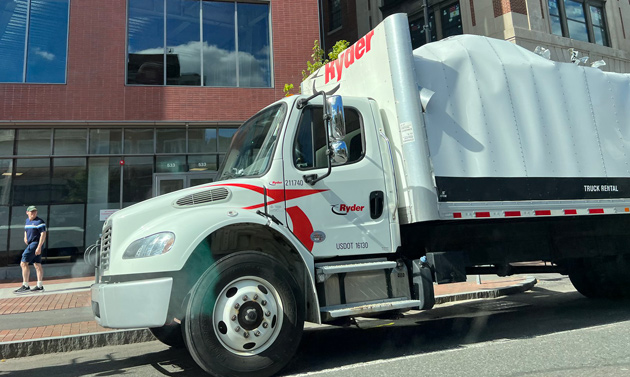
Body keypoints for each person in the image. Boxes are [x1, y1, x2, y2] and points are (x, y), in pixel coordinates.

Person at [14, 206, 46, 294]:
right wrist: (25, 237)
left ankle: (25, 285)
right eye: (31, 212)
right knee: (37, 264)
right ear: (27, 212)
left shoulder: (39, 222)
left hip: (35, 244)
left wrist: (39, 246)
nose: (33, 213)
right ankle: (39, 286)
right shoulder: (27, 221)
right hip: (31, 243)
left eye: (35, 211)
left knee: (23, 263)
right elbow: (26, 230)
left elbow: (43, 234)